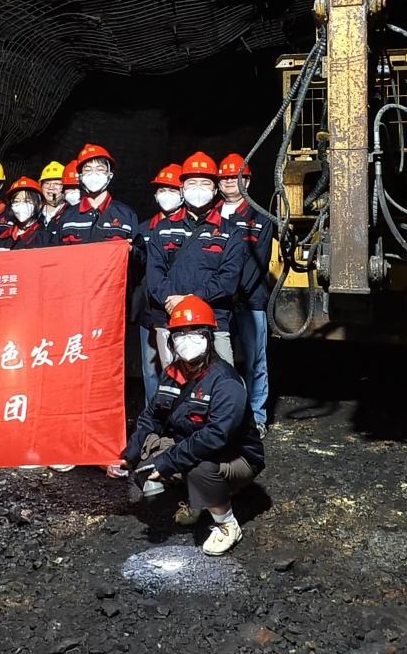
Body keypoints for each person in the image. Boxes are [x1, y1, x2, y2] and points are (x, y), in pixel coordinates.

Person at [115, 296, 265, 556]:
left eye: (196, 332)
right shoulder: (172, 374)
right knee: (148, 456)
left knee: (197, 466)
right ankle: (197, 501)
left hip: (238, 457)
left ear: (209, 337)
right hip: (193, 445)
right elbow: (152, 417)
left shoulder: (226, 382)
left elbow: (215, 437)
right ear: (171, 340)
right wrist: (130, 454)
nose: (187, 339)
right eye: (180, 334)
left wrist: (169, 462)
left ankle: (227, 524)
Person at [145, 151, 246, 366]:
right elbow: (155, 274)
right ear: (182, 188)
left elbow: (228, 279)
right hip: (170, 320)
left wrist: (190, 300)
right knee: (174, 380)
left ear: (215, 189)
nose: (198, 189)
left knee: (224, 379)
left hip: (214, 321)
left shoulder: (230, 232)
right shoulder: (162, 229)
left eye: (205, 183)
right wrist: (172, 302)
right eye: (192, 183)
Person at [216, 153, 275, 434]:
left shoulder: (260, 218)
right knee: (218, 363)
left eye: (235, 177)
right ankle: (223, 415)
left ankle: (256, 417)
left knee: (255, 361)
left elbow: (259, 262)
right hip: (218, 302)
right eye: (225, 178)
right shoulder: (210, 215)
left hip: (250, 301)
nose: (230, 182)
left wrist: (237, 293)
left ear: (247, 181)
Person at [138, 163, 184, 401]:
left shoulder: (189, 229)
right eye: (162, 190)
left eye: (172, 190)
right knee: (150, 368)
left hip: (177, 307)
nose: (167, 195)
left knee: (180, 367)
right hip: (148, 310)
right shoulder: (143, 229)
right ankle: (151, 415)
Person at [53, 144, 140, 250]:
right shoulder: (68, 217)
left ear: (109, 175)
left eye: (100, 169)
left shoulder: (126, 214)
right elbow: (55, 254)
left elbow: (141, 254)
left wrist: (132, 251)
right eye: (87, 169)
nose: (93, 174)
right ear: (80, 177)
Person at [0, 177, 47, 250]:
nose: (21, 205)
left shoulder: (45, 238)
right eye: (16, 201)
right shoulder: (3, 237)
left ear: (39, 204)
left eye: (27, 201)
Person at [37, 161, 66, 230]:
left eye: (56, 183)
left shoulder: (72, 212)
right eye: (47, 183)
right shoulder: (34, 213)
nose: (51, 187)